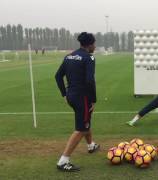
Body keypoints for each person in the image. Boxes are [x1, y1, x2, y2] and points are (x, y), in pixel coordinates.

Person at [55, 32, 100, 172]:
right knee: (81, 128)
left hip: (71, 96)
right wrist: (93, 100)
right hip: (83, 97)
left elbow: (58, 76)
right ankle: (63, 161)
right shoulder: (89, 58)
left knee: (85, 120)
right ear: (90, 44)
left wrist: (64, 94)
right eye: (94, 44)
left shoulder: (69, 56)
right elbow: (89, 80)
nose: (95, 46)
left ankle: (91, 145)